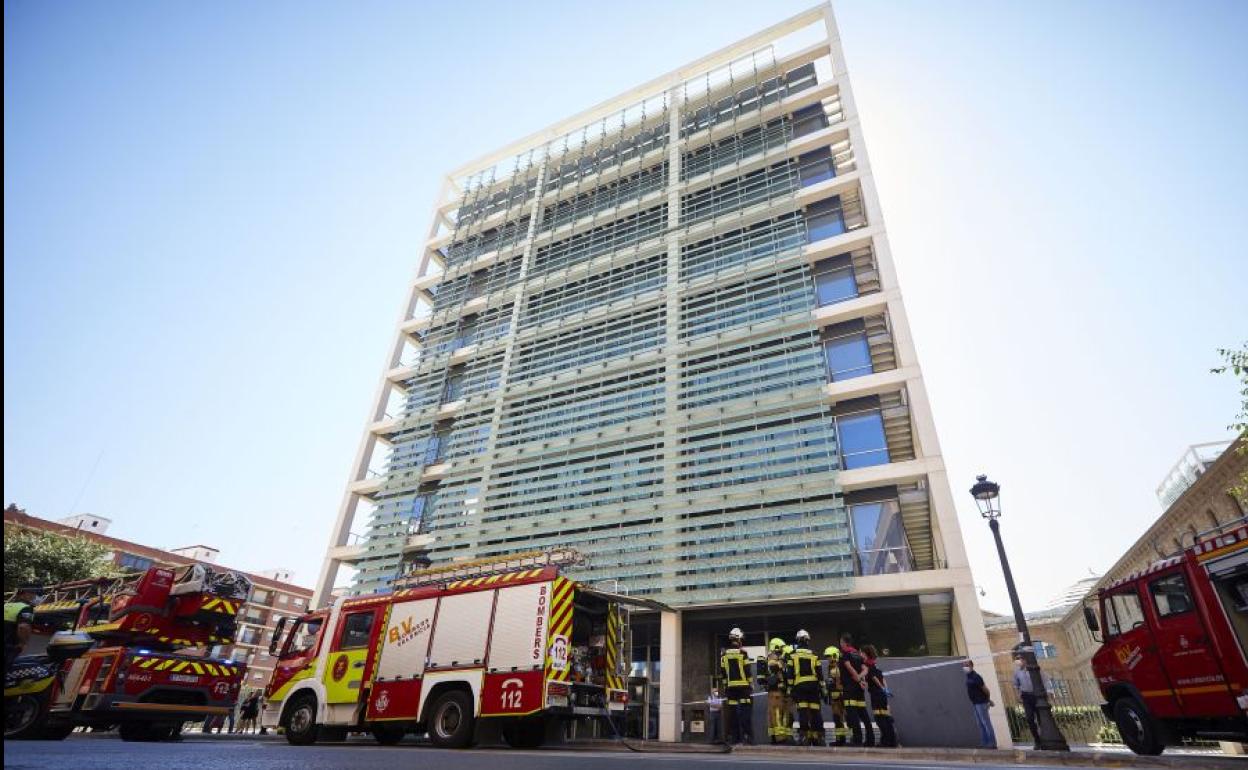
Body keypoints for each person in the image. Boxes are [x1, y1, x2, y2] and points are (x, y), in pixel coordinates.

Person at [785, 630, 824, 746]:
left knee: (803, 712)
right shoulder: (814, 655)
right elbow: (820, 675)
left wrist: (790, 689)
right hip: (813, 687)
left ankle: (804, 738)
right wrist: (823, 689)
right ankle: (818, 738)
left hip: (800, 687)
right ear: (807, 640)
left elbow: (790, 675)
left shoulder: (792, 655)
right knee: (815, 712)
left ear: (798, 640)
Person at [838, 633, 874, 747]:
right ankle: (870, 739)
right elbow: (865, 668)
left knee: (853, 716)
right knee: (864, 715)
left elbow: (848, 667)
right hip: (859, 689)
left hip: (849, 688)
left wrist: (858, 679)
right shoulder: (857, 654)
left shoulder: (845, 654)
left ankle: (857, 740)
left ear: (844, 642)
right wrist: (861, 679)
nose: (840, 644)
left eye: (841, 642)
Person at [719, 627, 754, 745]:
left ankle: (735, 738)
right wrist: (751, 684)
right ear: (738, 639)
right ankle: (747, 737)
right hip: (744, 688)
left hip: (730, 689)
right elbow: (747, 671)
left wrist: (725, 686)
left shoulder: (724, 655)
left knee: (732, 714)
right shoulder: (743, 653)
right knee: (746, 713)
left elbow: (723, 673)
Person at [861, 645, 896, 747]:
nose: (861, 655)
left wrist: (881, 687)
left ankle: (885, 741)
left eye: (862, 653)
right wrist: (885, 689)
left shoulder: (868, 665)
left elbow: (874, 678)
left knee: (880, 718)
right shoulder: (875, 664)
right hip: (881, 694)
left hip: (876, 695)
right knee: (886, 718)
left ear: (866, 654)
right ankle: (891, 741)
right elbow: (882, 677)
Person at [4, 586, 39, 677]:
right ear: (25, 594)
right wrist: (23, 643)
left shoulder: (6, 605)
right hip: (8, 647)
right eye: (33, 594)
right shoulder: (26, 608)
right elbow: (23, 627)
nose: (35, 597)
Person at [763, 637, 791, 744]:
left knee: (777, 716)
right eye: (781, 648)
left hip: (779, 692)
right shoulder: (772, 657)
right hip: (775, 692)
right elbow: (774, 667)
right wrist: (783, 660)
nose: (782, 651)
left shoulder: (779, 658)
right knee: (777, 715)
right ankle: (780, 739)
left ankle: (777, 738)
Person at [963, 659, 996, 748]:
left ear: (971, 666)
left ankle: (992, 743)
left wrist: (988, 700)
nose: (964, 667)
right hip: (975, 703)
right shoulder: (968, 677)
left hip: (981, 703)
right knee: (980, 724)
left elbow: (986, 690)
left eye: (966, 665)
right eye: (963, 665)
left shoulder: (976, 676)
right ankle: (984, 743)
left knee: (985, 723)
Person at [822, 646, 849, 746]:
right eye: (827, 657)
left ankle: (851, 740)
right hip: (834, 699)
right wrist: (826, 693)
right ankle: (840, 739)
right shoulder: (831, 667)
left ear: (834, 655)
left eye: (829, 656)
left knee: (848, 718)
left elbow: (841, 683)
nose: (828, 659)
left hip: (842, 697)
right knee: (837, 719)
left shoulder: (840, 667)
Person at [1011, 654, 1040, 744]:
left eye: (1019, 659)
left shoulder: (1034, 669)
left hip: (1037, 696)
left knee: (1041, 718)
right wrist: (1018, 695)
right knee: (1029, 718)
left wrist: (1049, 692)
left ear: (1025, 660)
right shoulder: (1017, 672)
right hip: (1026, 697)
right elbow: (1016, 685)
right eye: (1016, 659)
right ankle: (1037, 740)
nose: (1017, 661)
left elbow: (1044, 679)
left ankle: (1045, 737)